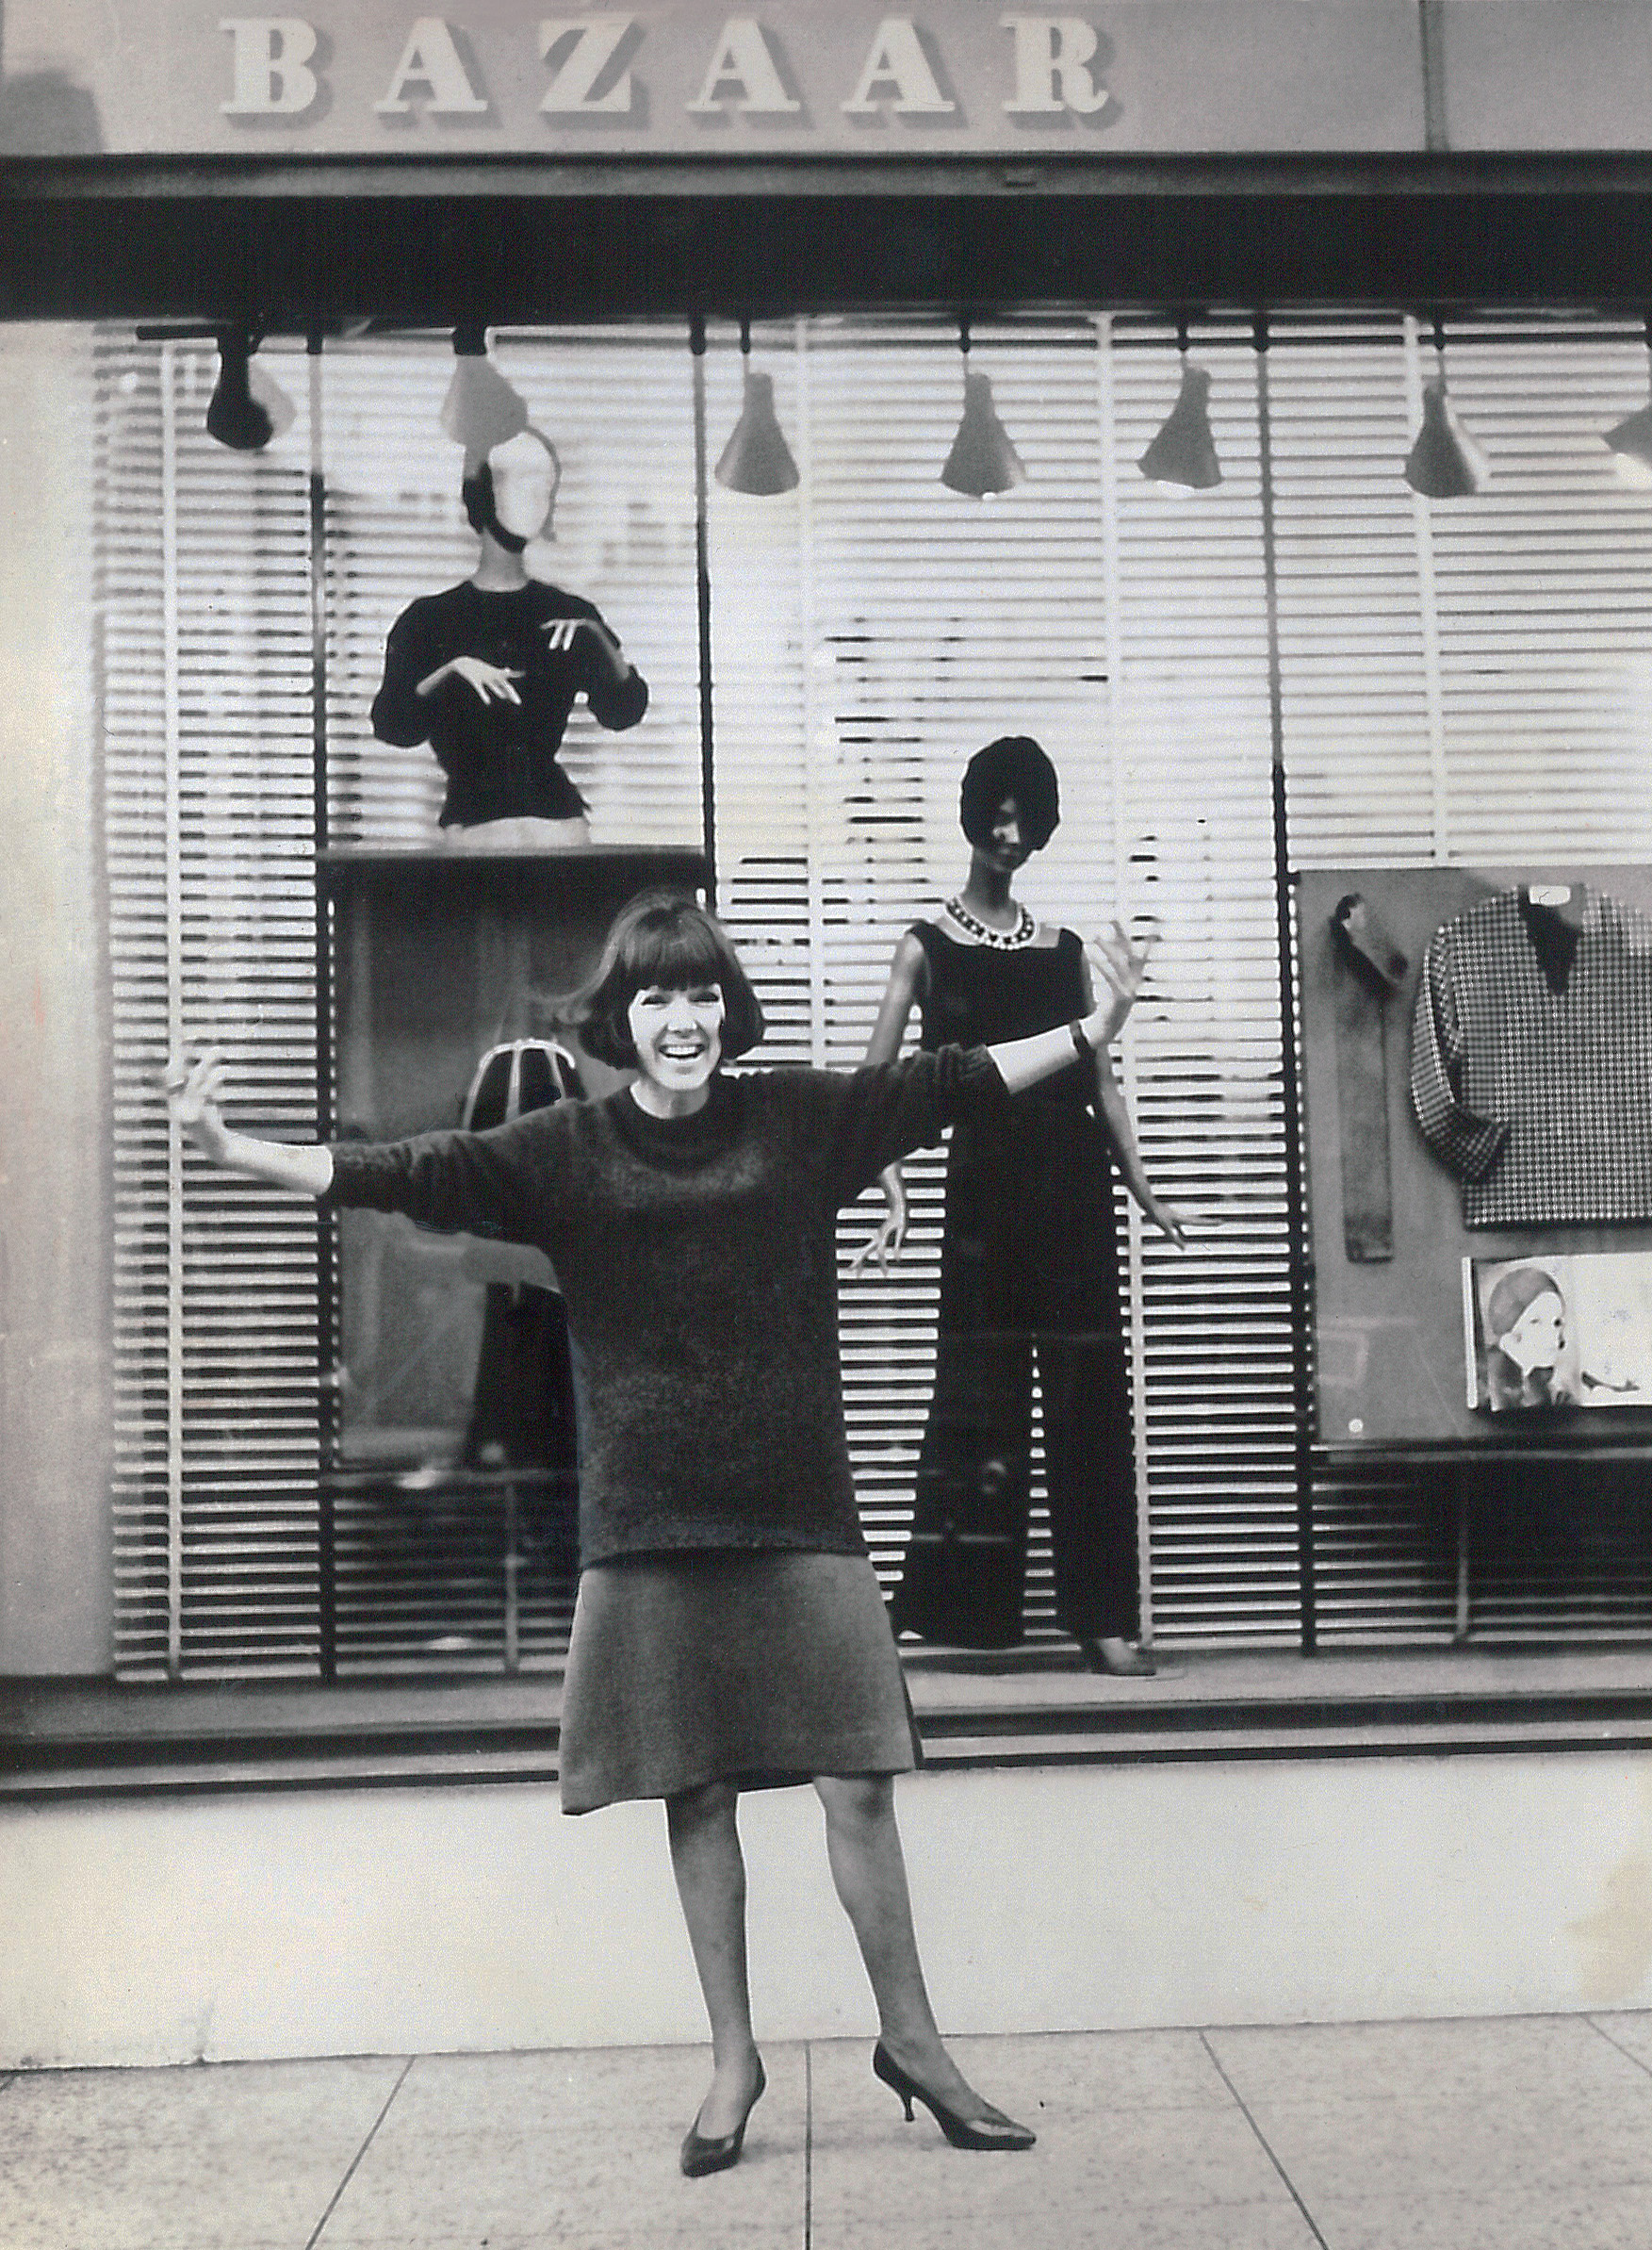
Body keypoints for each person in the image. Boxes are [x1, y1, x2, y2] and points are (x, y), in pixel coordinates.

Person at [165, 889, 1153, 2174]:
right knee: (698, 1787)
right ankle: (731, 2059)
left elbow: (956, 1079)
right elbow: (406, 1171)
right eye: (654, 996)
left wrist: (1100, 1023)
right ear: (619, 1017)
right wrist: (233, 1145)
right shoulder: (564, 1148)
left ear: (725, 1008)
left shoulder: (801, 1117)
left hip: (800, 1505)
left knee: (859, 1779)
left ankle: (914, 2041)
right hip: (650, 1519)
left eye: (699, 994)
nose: (680, 1019)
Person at [859, 737, 1184, 1679]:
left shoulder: (1067, 953)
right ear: (973, 816)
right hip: (982, 1197)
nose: (1008, 835)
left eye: (1025, 820)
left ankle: (1102, 1618)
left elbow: (1103, 1089)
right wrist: (888, 1178)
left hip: (1074, 1190)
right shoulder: (922, 948)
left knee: (1089, 1402)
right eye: (996, 815)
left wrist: (1147, 1191)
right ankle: (938, 1606)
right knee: (973, 1398)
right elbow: (873, 1088)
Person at [369, 428, 648, 848]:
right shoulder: (428, 620)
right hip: (474, 839)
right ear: (481, 490)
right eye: (521, 479)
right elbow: (394, 726)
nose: (538, 496)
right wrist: (451, 669)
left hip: (560, 836)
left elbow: (622, 712)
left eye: (546, 484)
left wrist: (600, 641)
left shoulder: (570, 615)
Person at [1483, 1264, 1578, 1412]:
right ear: (1508, 1330)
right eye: (1536, 1321)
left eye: (1556, 1322)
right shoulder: (1485, 1388)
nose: (1554, 1334)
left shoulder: (1555, 1395)